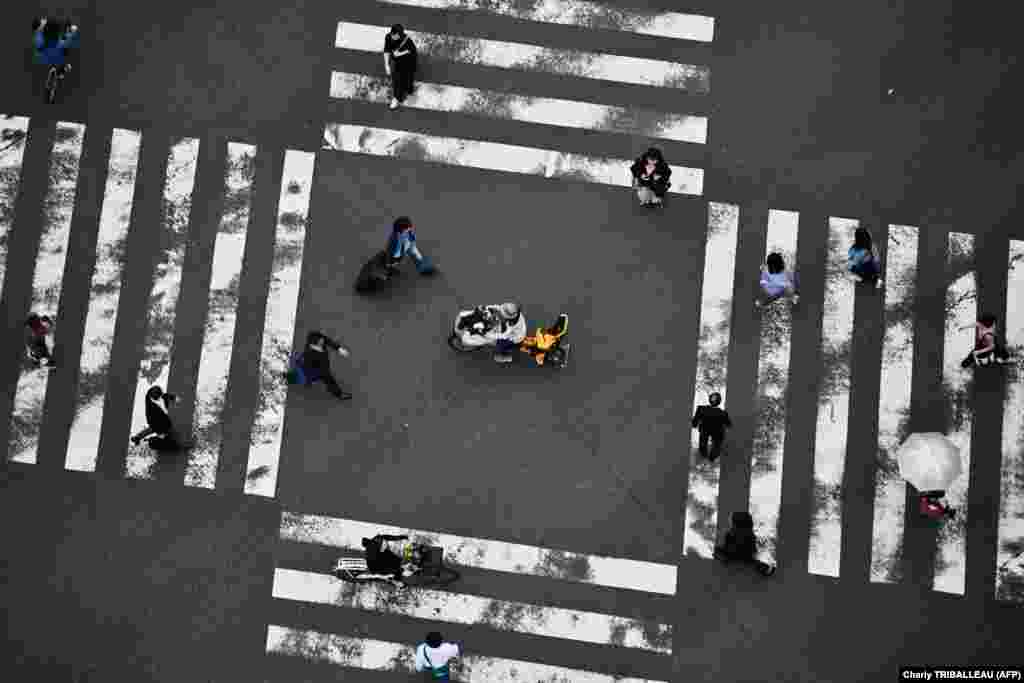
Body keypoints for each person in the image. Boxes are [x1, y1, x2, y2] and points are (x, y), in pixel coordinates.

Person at [713, 511, 776, 576]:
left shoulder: (750, 539)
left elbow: (750, 558)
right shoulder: (729, 535)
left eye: (733, 524)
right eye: (732, 524)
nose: (731, 527)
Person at [303, 331, 352, 400]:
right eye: (321, 341)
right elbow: (309, 364)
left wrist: (339, 349)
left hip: (322, 365)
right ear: (314, 344)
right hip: (317, 368)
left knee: (311, 377)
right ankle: (339, 394)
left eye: (322, 339)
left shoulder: (319, 341)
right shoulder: (309, 353)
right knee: (328, 379)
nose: (323, 341)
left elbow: (329, 341)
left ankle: (308, 380)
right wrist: (324, 372)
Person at [130, 386, 180, 450]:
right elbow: (152, 423)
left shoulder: (154, 396)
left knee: (155, 428)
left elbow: (164, 395)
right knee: (158, 430)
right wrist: (160, 433)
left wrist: (173, 397)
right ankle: (148, 440)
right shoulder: (151, 409)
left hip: (161, 421)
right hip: (159, 423)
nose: (160, 398)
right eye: (158, 397)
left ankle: (138, 437)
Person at [383, 24, 417, 110]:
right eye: (393, 35)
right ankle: (397, 98)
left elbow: (412, 51)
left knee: (408, 78)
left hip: (409, 61)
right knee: (397, 79)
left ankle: (408, 89)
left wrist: (400, 54)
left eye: (397, 35)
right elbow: (386, 50)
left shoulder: (407, 40)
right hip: (398, 62)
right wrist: (386, 64)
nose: (395, 37)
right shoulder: (388, 37)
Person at [691, 392, 732, 461]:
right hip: (711, 432)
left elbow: (729, 425)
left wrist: (695, 424)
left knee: (711, 445)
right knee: (710, 445)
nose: (714, 400)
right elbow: (729, 425)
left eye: (715, 398)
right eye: (713, 398)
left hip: (712, 433)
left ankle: (709, 457)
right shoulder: (722, 413)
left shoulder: (702, 409)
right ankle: (709, 457)